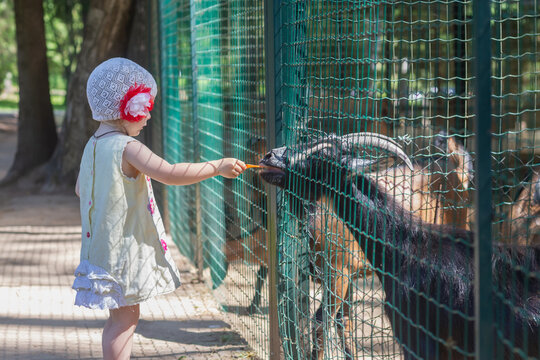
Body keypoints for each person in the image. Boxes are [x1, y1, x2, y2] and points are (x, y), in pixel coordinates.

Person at [73, 57, 246, 360]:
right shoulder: (128, 147)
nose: (148, 117)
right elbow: (169, 172)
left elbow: (79, 189)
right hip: (121, 252)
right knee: (125, 320)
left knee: (121, 318)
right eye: (144, 109)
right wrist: (216, 167)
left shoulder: (93, 145)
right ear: (124, 109)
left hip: (99, 249)